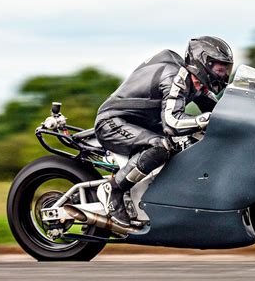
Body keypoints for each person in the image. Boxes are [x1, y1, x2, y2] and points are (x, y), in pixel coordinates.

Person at [95, 36, 234, 226]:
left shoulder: (198, 84)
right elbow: (172, 123)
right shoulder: (175, 77)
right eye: (220, 68)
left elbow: (219, 112)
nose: (223, 74)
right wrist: (204, 120)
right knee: (160, 147)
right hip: (112, 121)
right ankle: (113, 189)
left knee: (187, 144)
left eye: (226, 69)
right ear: (204, 63)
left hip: (143, 125)